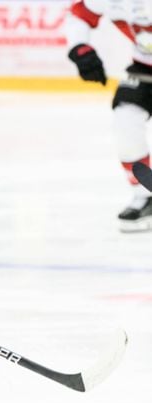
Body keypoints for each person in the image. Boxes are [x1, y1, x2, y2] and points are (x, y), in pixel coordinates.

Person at [66, 0, 152, 232]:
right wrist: (80, 49)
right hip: (145, 68)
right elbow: (79, 16)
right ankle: (145, 195)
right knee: (125, 123)